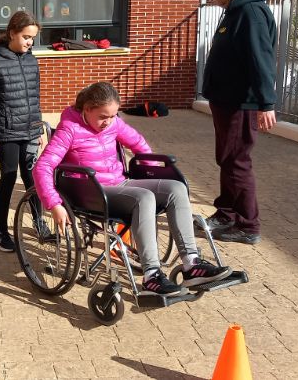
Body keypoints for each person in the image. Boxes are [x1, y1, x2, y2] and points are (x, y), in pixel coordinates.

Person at [33, 82, 232, 296]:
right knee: (143, 197)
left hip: (120, 183)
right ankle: (152, 276)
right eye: (103, 117)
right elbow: (43, 167)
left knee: (176, 188)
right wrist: (54, 204)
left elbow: (138, 143)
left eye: (113, 116)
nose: (108, 122)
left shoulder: (114, 124)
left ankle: (192, 264)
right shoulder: (70, 129)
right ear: (87, 109)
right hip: (92, 192)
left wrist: (151, 172)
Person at [202, 0, 278, 245]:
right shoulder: (234, 10)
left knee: (237, 161)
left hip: (240, 104)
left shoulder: (250, 13)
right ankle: (226, 214)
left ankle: (247, 225)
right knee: (227, 158)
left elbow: (261, 59)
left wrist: (266, 103)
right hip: (226, 101)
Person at [0, 10, 44, 253]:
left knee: (33, 179)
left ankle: (39, 223)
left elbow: (34, 98)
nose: (29, 42)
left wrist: (38, 127)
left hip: (30, 130)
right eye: (26, 37)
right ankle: (1, 232)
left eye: (32, 38)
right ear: (12, 33)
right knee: (8, 178)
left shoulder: (31, 60)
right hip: (6, 132)